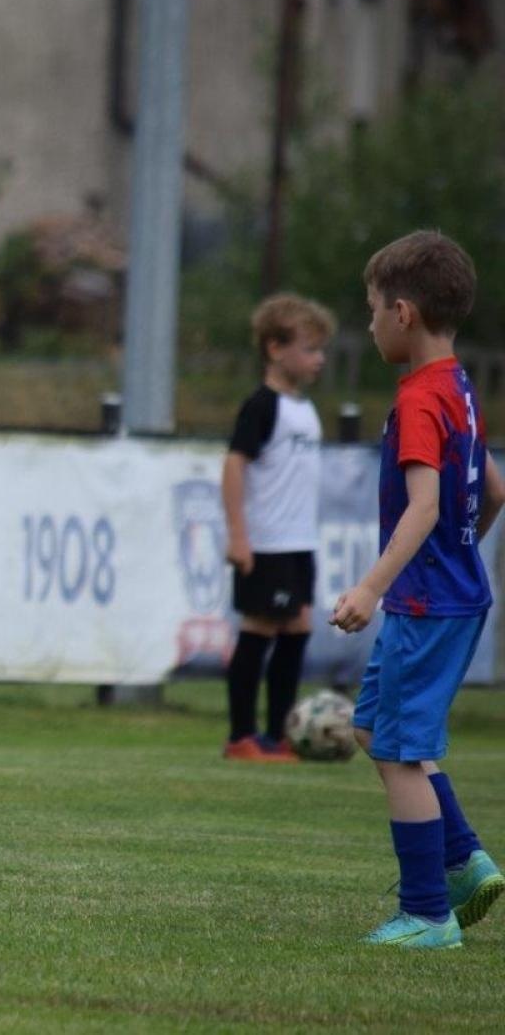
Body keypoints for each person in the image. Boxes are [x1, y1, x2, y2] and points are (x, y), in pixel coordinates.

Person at [332, 230, 505, 949]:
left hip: (426, 602)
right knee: (376, 728)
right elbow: (492, 488)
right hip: (455, 594)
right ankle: (463, 859)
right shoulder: (459, 387)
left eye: (371, 309)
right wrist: (465, 552)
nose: (369, 323)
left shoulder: (418, 402)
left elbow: (426, 505)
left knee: (401, 750)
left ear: (402, 313)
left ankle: (429, 913)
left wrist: (372, 586)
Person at [220, 294, 336, 762]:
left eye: (319, 349)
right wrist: (239, 535)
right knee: (260, 627)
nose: (319, 359)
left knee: (299, 626)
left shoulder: (304, 410)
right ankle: (242, 736)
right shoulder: (262, 406)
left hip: (299, 542)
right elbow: (233, 466)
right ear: (275, 349)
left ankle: (279, 734)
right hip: (266, 542)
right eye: (309, 349)